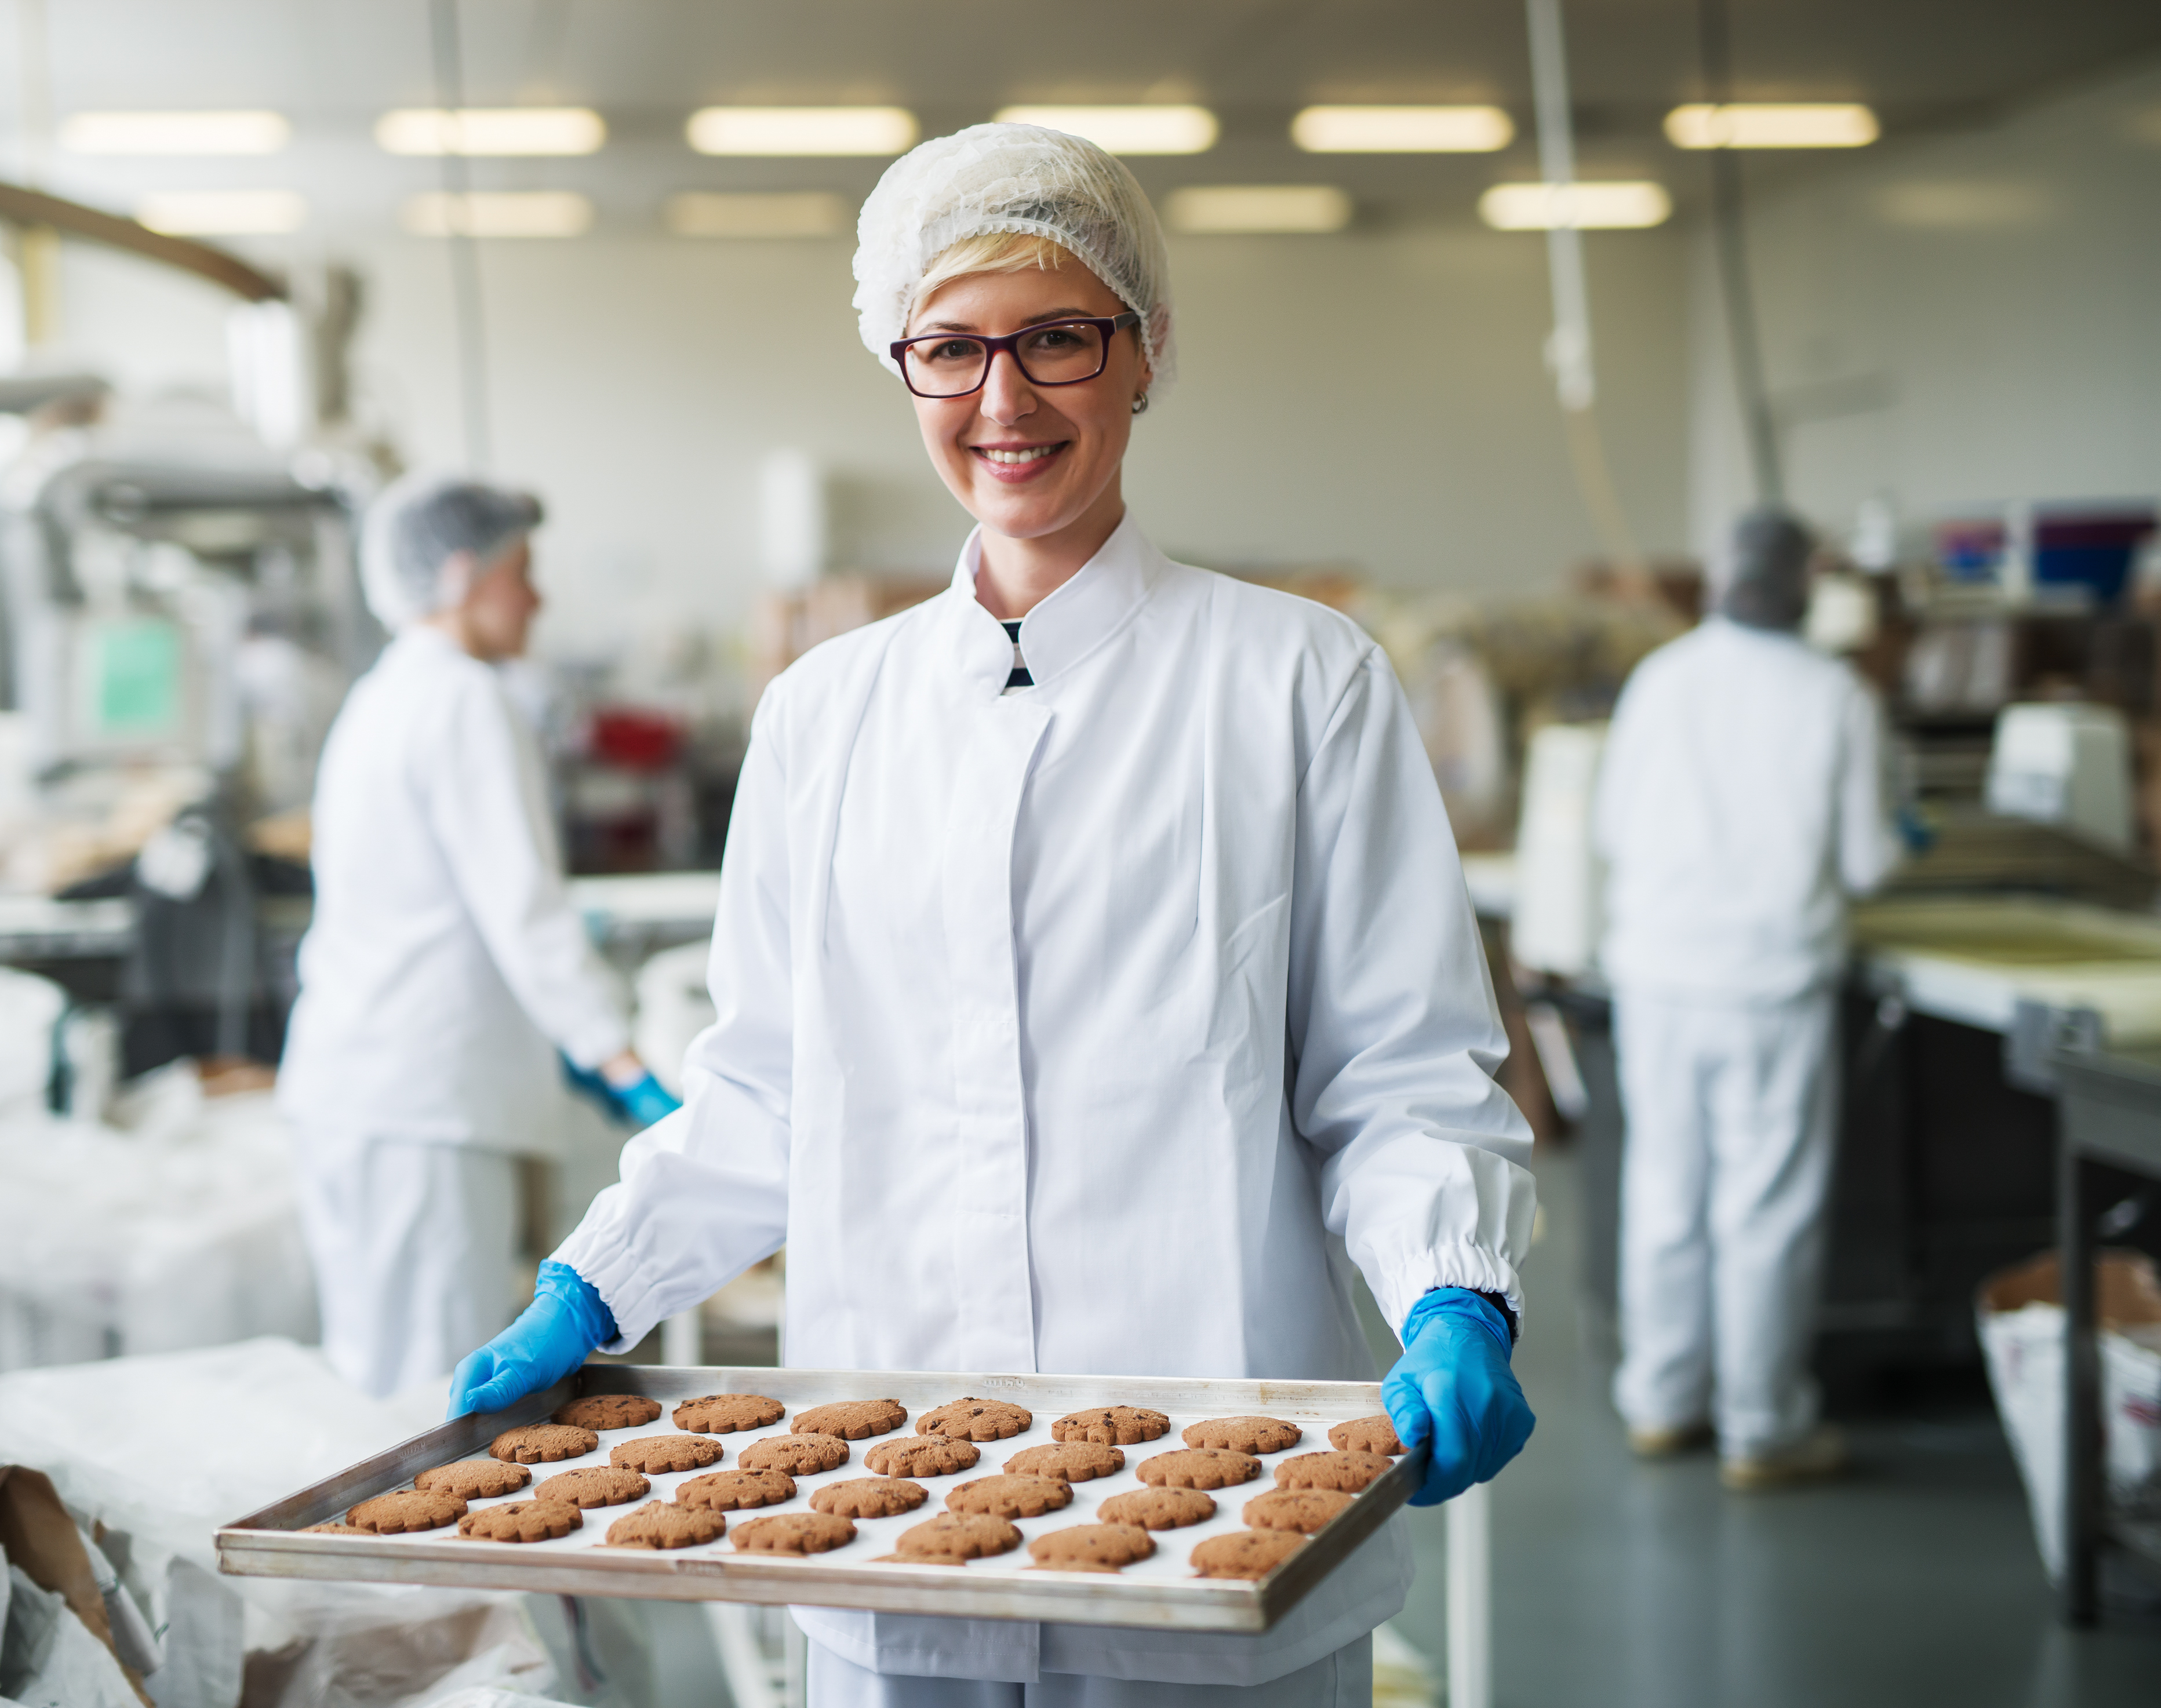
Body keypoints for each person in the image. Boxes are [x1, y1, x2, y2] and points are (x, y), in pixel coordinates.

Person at [452, 125, 1539, 1703]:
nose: (1003, 400)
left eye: (1056, 338)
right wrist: (597, 1280)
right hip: (888, 1527)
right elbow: (765, 1087)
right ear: (900, 363)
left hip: (1215, 1518)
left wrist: (1452, 1285)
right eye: (950, 349)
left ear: (1147, 350)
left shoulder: (1298, 684)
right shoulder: (825, 714)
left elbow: (1398, 1074)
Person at [277, 474, 675, 1398]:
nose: (536, 596)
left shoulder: (384, 695)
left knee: (376, 1380)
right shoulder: (464, 698)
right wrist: (625, 1068)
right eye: (521, 571)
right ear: (462, 574)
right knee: (430, 1401)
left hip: (360, 1089)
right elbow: (525, 910)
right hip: (423, 1104)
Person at [1595, 507, 1901, 1488]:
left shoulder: (1662, 678)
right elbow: (1869, 861)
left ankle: (1661, 1401)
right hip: (1770, 982)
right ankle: (1762, 1427)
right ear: (1805, 583)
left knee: (1665, 1192)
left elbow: (1610, 827)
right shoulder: (1837, 694)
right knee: (1763, 1207)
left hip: (1658, 975)